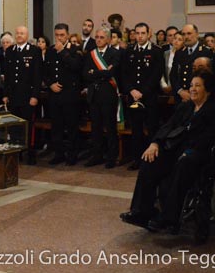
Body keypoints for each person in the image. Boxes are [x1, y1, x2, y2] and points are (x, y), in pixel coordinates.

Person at [120, 73, 215, 234]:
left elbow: (211, 137)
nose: (192, 89)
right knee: (150, 160)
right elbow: (168, 126)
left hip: (198, 153)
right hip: (176, 149)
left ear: (208, 90)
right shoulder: (186, 107)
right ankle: (141, 211)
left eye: (197, 85)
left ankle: (169, 218)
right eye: (191, 85)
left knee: (184, 163)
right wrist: (155, 143)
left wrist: (190, 150)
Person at [121, 22, 164, 170]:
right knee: (136, 130)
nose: (139, 36)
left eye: (142, 33)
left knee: (152, 128)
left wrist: (143, 92)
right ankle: (137, 160)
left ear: (148, 33)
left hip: (149, 97)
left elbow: (156, 74)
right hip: (133, 97)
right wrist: (131, 90)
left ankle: (152, 160)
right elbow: (124, 74)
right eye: (137, 33)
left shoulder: (156, 51)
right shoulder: (129, 51)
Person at [43, 23, 83, 165]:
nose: (59, 38)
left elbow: (76, 67)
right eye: (57, 35)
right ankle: (58, 154)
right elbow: (45, 72)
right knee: (56, 126)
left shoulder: (75, 50)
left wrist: (62, 52)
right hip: (55, 94)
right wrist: (50, 84)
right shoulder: (50, 51)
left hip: (70, 95)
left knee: (72, 126)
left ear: (67, 35)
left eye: (62, 35)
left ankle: (72, 155)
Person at [2, 26, 43, 165]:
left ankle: (30, 153)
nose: (19, 35)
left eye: (22, 33)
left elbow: (37, 75)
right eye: (17, 33)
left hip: (28, 96)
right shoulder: (10, 51)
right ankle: (15, 152)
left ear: (27, 35)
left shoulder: (34, 51)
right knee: (14, 126)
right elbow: (7, 74)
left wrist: (35, 96)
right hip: (14, 96)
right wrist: (5, 94)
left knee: (28, 125)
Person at [82, 27, 121, 168]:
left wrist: (95, 72)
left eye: (102, 37)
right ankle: (97, 155)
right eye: (97, 37)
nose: (98, 40)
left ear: (109, 39)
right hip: (94, 94)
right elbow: (86, 74)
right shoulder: (91, 54)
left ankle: (111, 156)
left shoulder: (115, 53)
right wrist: (101, 72)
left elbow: (111, 73)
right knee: (96, 127)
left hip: (108, 95)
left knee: (110, 127)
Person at [171, 24, 212, 102]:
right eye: (184, 34)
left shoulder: (205, 51)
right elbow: (173, 75)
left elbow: (208, 77)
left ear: (197, 34)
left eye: (189, 33)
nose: (186, 37)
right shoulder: (179, 52)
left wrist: (192, 92)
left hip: (199, 97)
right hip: (181, 97)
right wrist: (180, 91)